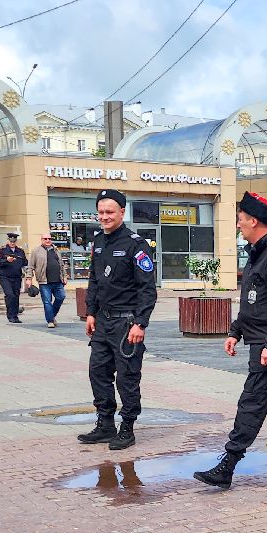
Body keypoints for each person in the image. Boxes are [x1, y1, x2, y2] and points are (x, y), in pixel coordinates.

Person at [194, 192, 267, 487]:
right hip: (261, 341)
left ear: (254, 220)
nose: (238, 226)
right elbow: (254, 303)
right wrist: (235, 331)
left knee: (251, 402)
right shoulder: (258, 253)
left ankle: (228, 465)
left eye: (240, 220)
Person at [78, 190, 157, 450]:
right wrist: (90, 312)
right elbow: (94, 280)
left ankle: (127, 427)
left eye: (109, 212)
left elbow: (147, 289)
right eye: (100, 212)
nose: (104, 217)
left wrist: (141, 323)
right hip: (102, 322)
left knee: (127, 377)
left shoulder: (136, 244)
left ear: (122, 212)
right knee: (97, 372)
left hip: (127, 324)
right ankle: (105, 424)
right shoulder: (99, 241)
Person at [27, 232, 66, 328]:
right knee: (47, 302)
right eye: (45, 239)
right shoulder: (36, 251)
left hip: (58, 280)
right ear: (41, 240)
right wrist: (29, 278)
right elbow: (30, 266)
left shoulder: (56, 250)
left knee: (61, 297)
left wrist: (64, 276)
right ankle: (50, 321)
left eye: (49, 238)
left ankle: (51, 316)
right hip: (44, 281)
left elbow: (61, 265)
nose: (48, 240)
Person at [0, 232, 27, 323]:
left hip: (16, 276)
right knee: (10, 295)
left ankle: (15, 316)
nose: (12, 243)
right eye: (11, 241)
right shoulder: (2, 250)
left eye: (14, 241)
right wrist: (6, 260)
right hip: (5, 276)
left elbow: (25, 262)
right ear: (8, 240)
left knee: (16, 296)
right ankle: (10, 315)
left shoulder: (20, 251)